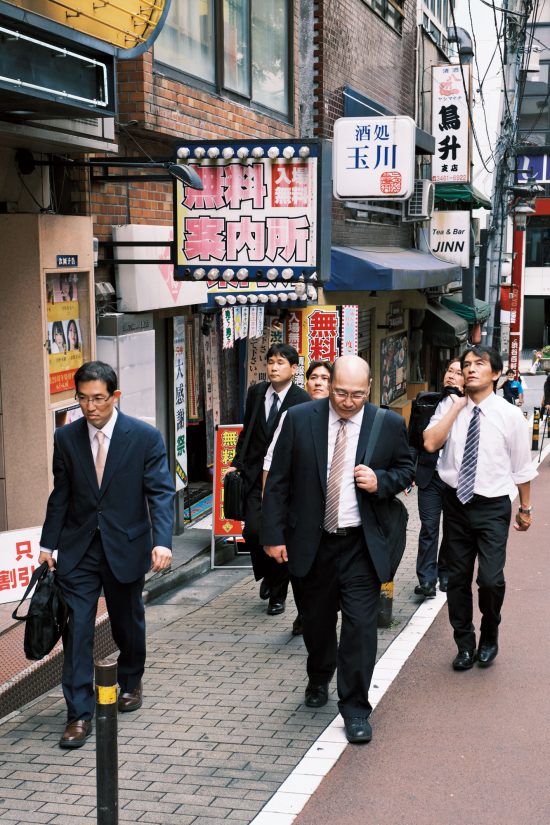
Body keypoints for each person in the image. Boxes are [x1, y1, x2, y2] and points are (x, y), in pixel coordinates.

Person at [261, 356, 414, 744]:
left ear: (370, 387)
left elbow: (407, 469)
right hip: (312, 543)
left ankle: (356, 708)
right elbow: (278, 482)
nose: (348, 401)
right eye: (341, 392)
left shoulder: (388, 423)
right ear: (329, 385)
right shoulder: (299, 419)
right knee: (316, 623)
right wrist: (273, 536)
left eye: (358, 395)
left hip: (361, 545)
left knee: (361, 629)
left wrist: (380, 480)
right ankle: (318, 674)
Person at [38, 361, 175, 748]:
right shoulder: (66, 439)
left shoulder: (144, 437)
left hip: (127, 546)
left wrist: (162, 541)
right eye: (82, 398)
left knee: (126, 623)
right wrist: (48, 545)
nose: (90, 406)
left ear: (115, 396)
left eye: (98, 398)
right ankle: (79, 714)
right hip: (79, 549)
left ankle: (131, 679)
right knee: (77, 628)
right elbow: (60, 495)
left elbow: (160, 493)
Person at [424, 346, 536, 672]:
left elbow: (522, 467)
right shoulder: (450, 406)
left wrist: (525, 509)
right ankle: (464, 642)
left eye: (479, 364)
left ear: (496, 374)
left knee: (489, 579)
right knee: (456, 579)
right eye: (466, 364)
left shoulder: (510, 415)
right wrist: (456, 407)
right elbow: (430, 443)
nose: (470, 369)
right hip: (456, 503)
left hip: (492, 506)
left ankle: (490, 634)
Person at [230, 343, 310, 616]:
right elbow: (248, 429)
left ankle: (278, 593)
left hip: (284, 481)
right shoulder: (256, 393)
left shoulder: (302, 401)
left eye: (281, 363)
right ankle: (267, 572)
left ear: (294, 369)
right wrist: (237, 464)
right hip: (253, 475)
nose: (274, 367)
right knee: (252, 531)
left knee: (277, 534)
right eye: (271, 362)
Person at [262, 360, 333, 635]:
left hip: (333, 514)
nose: (318, 383)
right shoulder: (294, 416)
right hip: (299, 511)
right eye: (313, 377)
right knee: (300, 569)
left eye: (324, 378)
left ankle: (318, 614)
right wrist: (271, 506)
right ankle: (305, 613)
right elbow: (273, 463)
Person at [408, 358, 465, 598]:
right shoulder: (426, 401)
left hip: (456, 478)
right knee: (429, 529)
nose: (451, 376)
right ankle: (427, 580)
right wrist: (409, 471)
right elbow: (412, 442)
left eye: (457, 373)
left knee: (452, 529)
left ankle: (445, 573)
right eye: (449, 371)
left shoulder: (471, 407)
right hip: (429, 476)